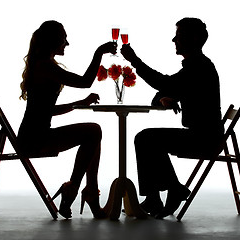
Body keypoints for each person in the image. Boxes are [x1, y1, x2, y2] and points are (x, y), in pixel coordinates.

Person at [121, 17, 224, 219]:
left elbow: (164, 83)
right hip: (205, 136)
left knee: (146, 139)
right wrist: (165, 97)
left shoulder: (198, 67)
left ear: (193, 38)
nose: (173, 40)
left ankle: (167, 191)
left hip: (204, 139)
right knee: (147, 139)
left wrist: (135, 61)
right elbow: (166, 89)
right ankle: (160, 195)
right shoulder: (197, 66)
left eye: (178, 35)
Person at [17, 20, 117, 219]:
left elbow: (47, 110)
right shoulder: (45, 67)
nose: (67, 44)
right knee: (93, 131)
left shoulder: (43, 66)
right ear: (53, 41)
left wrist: (79, 103)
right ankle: (78, 189)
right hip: (35, 139)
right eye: (64, 39)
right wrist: (99, 53)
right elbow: (85, 82)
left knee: (93, 134)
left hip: (34, 134)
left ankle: (86, 190)